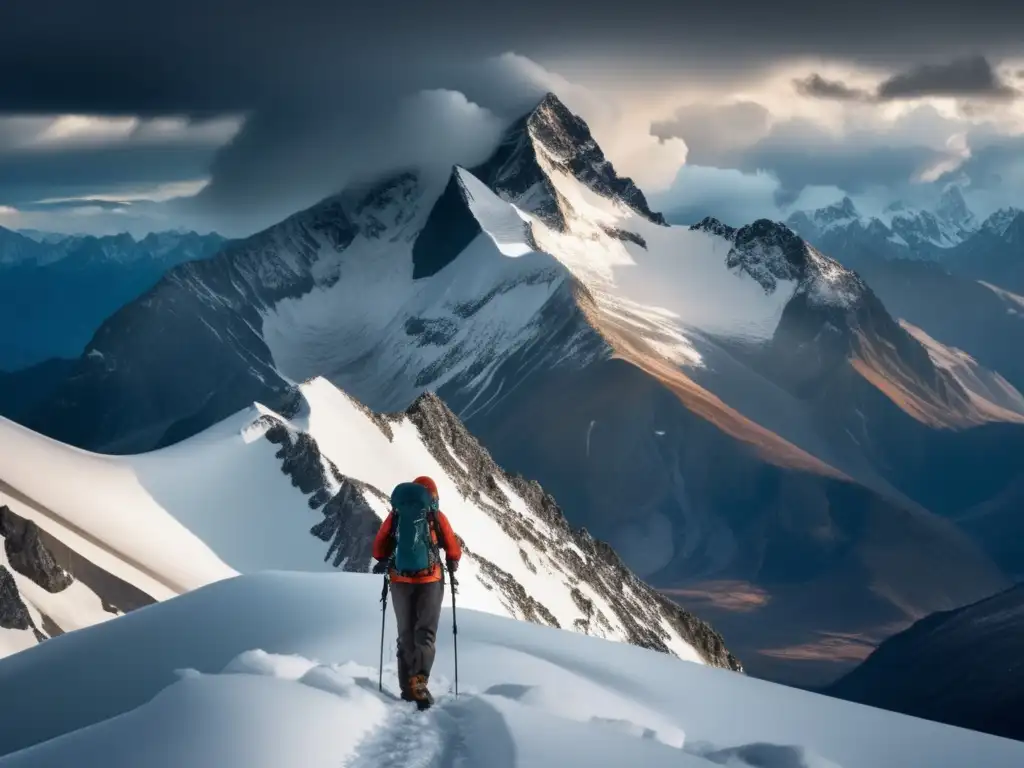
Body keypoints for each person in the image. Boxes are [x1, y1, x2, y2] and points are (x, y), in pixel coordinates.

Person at [372, 475, 461, 709]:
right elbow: (452, 546)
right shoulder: (435, 516)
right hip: (430, 578)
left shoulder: (397, 515)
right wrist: (452, 561)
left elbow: (378, 547)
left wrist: (387, 559)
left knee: (406, 634)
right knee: (425, 632)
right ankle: (419, 681)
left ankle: (406, 689)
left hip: (400, 580)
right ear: (432, 496)